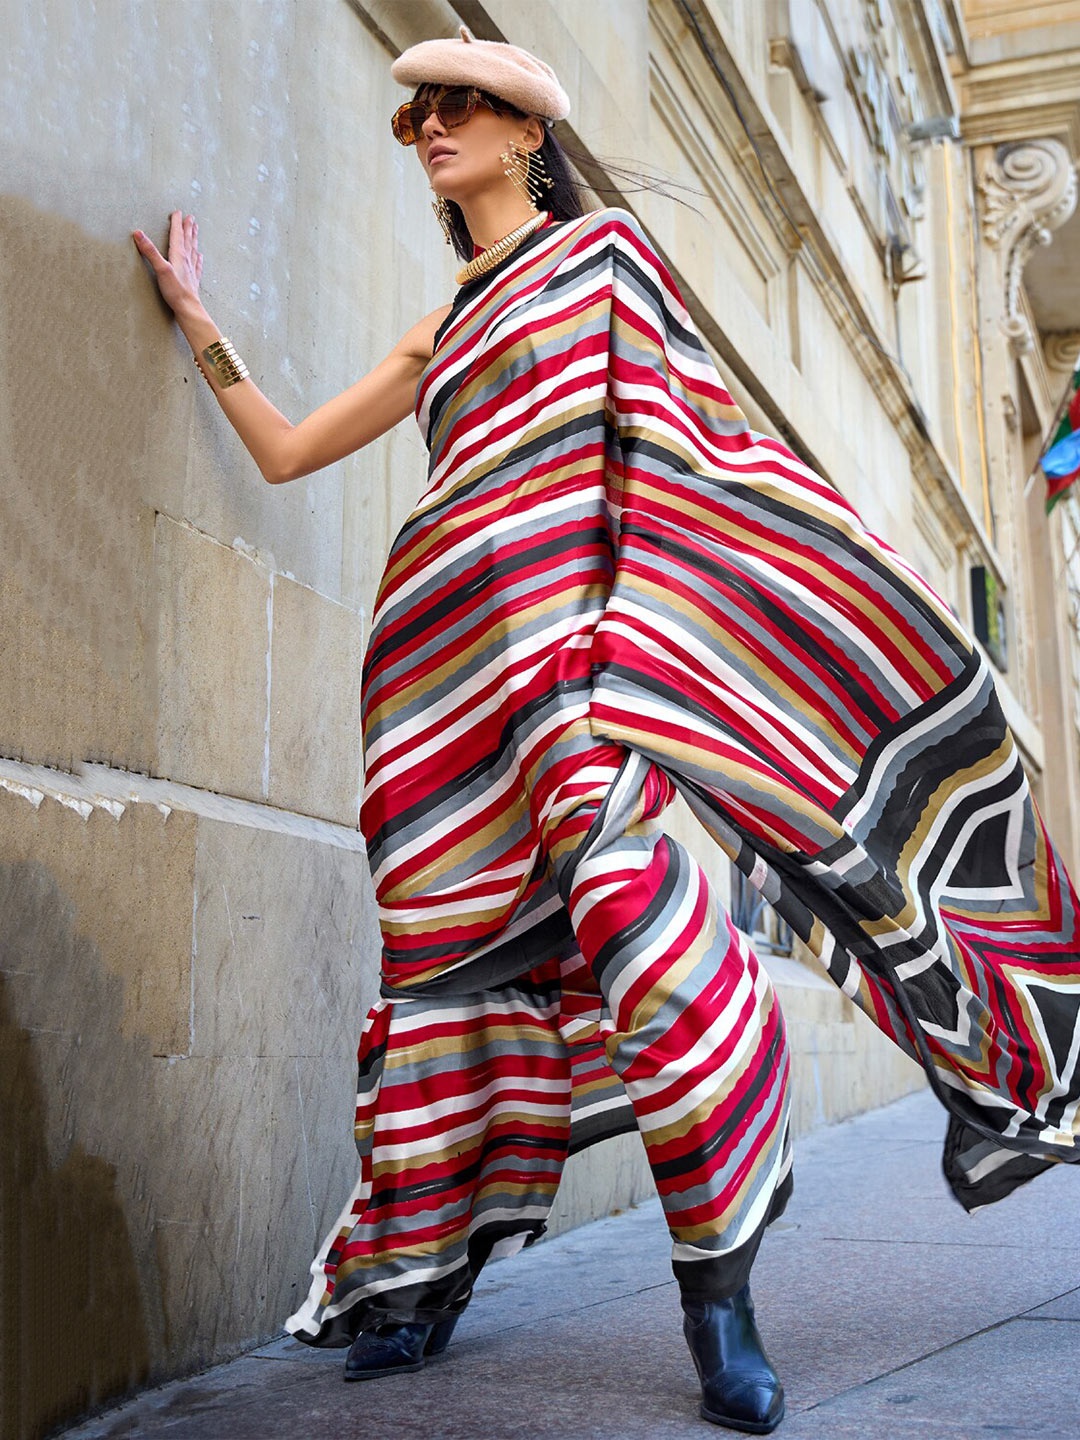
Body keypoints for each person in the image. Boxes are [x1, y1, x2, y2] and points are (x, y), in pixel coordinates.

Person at [133, 27, 1080, 1436]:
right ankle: (417, 1274)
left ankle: (721, 1303)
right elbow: (286, 450)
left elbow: (704, 459)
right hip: (431, 694)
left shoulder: (609, 265)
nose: (430, 131)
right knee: (443, 976)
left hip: (572, 685)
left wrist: (789, 597)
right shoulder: (447, 314)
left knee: (659, 963)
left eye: (455, 108)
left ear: (526, 134)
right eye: (414, 119)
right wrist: (203, 327)